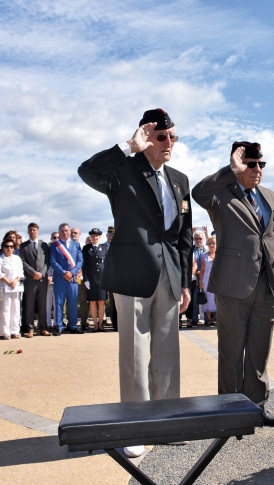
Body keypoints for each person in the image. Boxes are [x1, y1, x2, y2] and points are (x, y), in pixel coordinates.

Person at [78, 108, 193, 458]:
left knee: (167, 350)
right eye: (161, 137)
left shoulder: (179, 179)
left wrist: (185, 281)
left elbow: (184, 235)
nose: (169, 143)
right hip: (131, 274)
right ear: (146, 138)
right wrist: (128, 147)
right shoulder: (122, 171)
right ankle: (136, 426)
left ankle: (167, 421)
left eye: (173, 136)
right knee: (134, 351)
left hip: (170, 274)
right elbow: (87, 171)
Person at [193, 140, 274, 427]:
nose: (257, 169)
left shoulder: (270, 197)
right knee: (231, 351)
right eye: (250, 164)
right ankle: (229, 411)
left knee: (259, 351)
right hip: (233, 285)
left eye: (261, 164)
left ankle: (255, 409)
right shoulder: (221, 194)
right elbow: (197, 193)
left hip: (266, 286)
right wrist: (229, 171)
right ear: (239, 165)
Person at [49, 223, 84, 335]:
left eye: (67, 230)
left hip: (73, 279)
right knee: (59, 303)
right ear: (59, 232)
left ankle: (73, 325)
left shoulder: (76, 245)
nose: (65, 232)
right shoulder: (55, 245)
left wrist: (72, 273)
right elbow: (53, 261)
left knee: (73, 302)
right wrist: (64, 272)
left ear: (70, 232)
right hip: (60, 278)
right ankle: (59, 326)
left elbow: (80, 261)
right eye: (62, 231)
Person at [18, 223, 51, 337]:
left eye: (34, 230)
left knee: (43, 304)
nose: (32, 232)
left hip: (42, 279)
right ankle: (30, 329)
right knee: (29, 305)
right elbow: (22, 262)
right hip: (30, 279)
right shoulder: (23, 246)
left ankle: (43, 328)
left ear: (38, 231)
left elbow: (47, 261)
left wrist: (41, 273)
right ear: (28, 232)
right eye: (30, 230)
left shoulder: (44, 245)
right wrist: (33, 273)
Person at [0, 237, 25, 339]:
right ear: (3, 248)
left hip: (16, 286)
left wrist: (15, 281)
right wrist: (8, 282)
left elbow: (20, 271)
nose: (9, 249)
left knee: (16, 309)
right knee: (5, 309)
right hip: (4, 286)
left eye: (11, 247)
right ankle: (5, 331)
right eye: (7, 247)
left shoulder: (17, 258)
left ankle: (15, 330)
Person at [82, 228, 109, 332]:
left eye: (97, 236)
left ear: (100, 237)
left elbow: (107, 264)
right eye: (93, 236)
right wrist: (85, 279)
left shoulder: (104, 248)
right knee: (92, 302)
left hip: (102, 279)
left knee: (102, 302)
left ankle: (101, 325)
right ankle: (95, 325)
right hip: (91, 279)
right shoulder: (86, 248)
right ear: (91, 238)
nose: (95, 238)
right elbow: (85, 265)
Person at [185, 231, 206, 327]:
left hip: (203, 277)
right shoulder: (190, 250)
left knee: (204, 298)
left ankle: (206, 319)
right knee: (193, 300)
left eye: (200, 239)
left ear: (203, 239)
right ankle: (194, 319)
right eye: (196, 238)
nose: (198, 240)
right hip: (193, 277)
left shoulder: (206, 249)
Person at [197, 236, 217, 326]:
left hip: (218, 280)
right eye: (210, 243)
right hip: (207, 279)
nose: (212, 245)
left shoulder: (220, 255)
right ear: (207, 245)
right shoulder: (204, 255)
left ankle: (218, 319)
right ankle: (208, 319)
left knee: (218, 299)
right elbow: (202, 269)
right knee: (208, 299)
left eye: (213, 243)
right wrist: (200, 281)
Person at [45, 231, 58, 332]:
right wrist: (48, 276)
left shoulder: (62, 249)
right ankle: (48, 323)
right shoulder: (48, 249)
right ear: (51, 239)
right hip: (47, 279)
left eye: (58, 237)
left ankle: (57, 323)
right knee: (48, 303)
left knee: (57, 303)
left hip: (58, 279)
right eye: (54, 237)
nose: (56, 239)